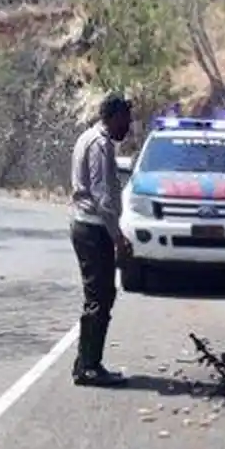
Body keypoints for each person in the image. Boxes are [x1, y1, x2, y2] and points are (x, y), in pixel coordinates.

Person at [69, 93, 132, 387]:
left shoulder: (90, 137)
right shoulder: (100, 144)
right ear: (113, 116)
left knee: (101, 295)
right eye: (125, 119)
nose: (128, 125)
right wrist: (117, 236)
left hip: (89, 226)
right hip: (93, 228)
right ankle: (89, 367)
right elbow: (102, 196)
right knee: (100, 296)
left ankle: (85, 361)